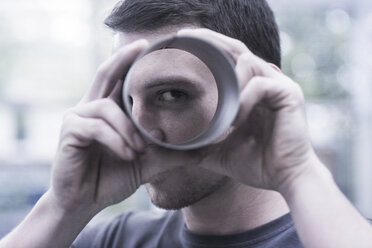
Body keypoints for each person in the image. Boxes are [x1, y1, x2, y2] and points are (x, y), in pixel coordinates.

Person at [1, 0, 372, 247]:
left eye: (172, 95)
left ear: (259, 91)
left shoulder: (340, 233)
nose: (142, 130)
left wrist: (297, 172)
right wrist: (64, 206)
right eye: (128, 100)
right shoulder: (113, 240)